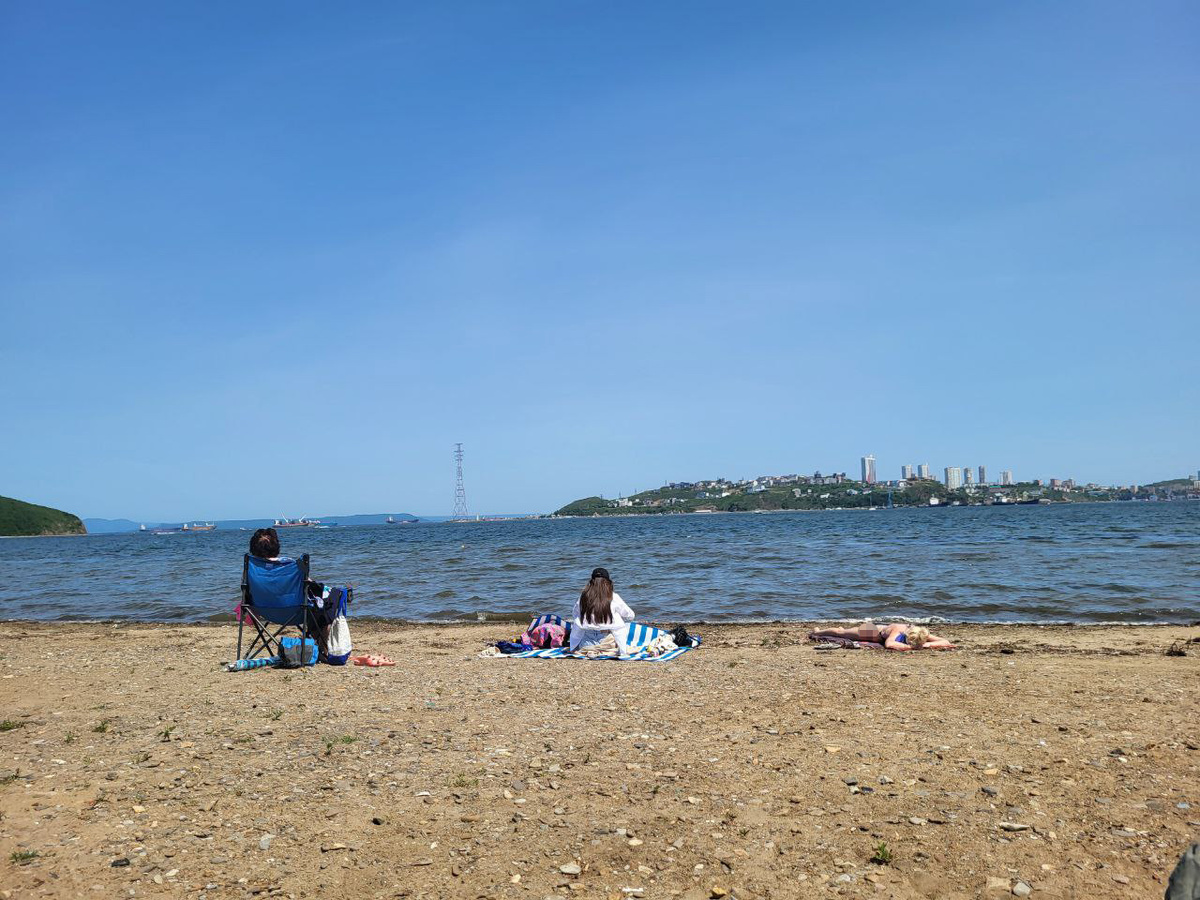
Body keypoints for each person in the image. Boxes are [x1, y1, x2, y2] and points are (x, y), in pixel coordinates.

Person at [569, 567, 637, 658]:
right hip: (607, 643)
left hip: (586, 644)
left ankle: (592, 650)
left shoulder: (583, 597)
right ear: (608, 582)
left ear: (591, 581)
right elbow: (630, 615)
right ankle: (603, 650)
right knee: (621, 622)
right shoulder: (613, 597)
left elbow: (575, 614)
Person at [808, 621, 956, 651]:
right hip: (873, 631)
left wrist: (926, 644)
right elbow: (890, 644)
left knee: (846, 632)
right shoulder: (899, 630)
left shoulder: (921, 634)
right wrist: (912, 647)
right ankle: (817, 631)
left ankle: (842, 628)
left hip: (879, 635)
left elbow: (945, 641)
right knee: (841, 633)